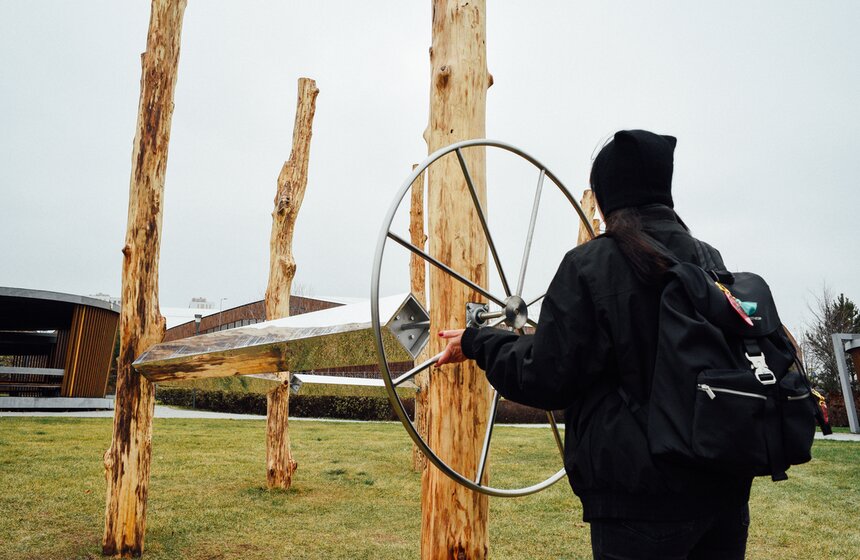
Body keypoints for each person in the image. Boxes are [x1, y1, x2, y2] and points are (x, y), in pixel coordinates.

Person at [436, 130, 752, 560]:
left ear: (607, 198)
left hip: (638, 505)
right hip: (724, 497)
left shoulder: (593, 264)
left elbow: (545, 374)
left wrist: (479, 341)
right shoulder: (707, 259)